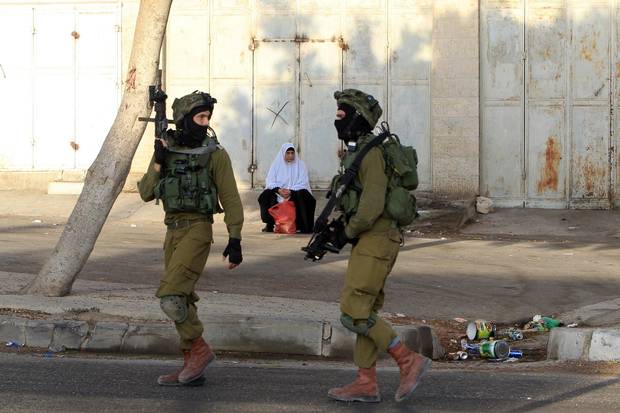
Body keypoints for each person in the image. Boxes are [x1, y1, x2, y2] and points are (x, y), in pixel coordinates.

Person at [325, 89, 431, 403]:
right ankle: (365, 382)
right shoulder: (363, 151)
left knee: (353, 311)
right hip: (376, 238)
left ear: (358, 117)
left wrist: (347, 232)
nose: (337, 119)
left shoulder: (370, 153)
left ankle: (408, 360)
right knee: (366, 309)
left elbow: (370, 206)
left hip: (376, 236)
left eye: (343, 113)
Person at [137, 91, 244, 386]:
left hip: (198, 230)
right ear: (184, 119)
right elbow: (146, 192)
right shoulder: (166, 148)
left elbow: (231, 199)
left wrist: (234, 239)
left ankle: (199, 350)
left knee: (171, 297)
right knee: (183, 298)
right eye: (200, 117)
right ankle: (190, 363)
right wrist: (159, 161)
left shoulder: (215, 154)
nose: (205, 123)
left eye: (208, 117)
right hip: (172, 230)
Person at [258, 143, 316, 233]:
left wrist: (290, 191)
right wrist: (279, 190)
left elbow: (303, 182)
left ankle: (303, 226)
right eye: (288, 153)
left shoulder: (300, 165)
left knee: (303, 194)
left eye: (292, 153)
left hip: (295, 193)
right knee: (266, 194)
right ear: (283, 153)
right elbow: (270, 181)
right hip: (279, 193)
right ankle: (270, 224)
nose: (290, 155)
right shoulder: (276, 165)